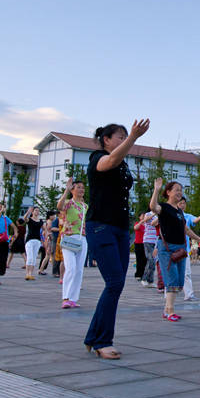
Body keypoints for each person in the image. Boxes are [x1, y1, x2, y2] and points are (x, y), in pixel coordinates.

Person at [84, 120, 150, 360]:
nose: (123, 140)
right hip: (101, 226)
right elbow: (109, 162)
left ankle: (94, 336)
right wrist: (133, 138)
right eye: (119, 137)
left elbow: (118, 161)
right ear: (106, 140)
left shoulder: (124, 163)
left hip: (121, 228)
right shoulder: (97, 158)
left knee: (117, 283)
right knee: (113, 282)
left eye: (125, 136)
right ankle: (102, 340)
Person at [150, 179, 200, 321]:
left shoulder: (179, 211)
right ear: (168, 192)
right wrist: (156, 189)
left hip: (180, 249)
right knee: (172, 280)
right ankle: (170, 311)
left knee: (179, 282)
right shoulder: (164, 207)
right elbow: (153, 206)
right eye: (176, 189)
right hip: (167, 248)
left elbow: (185, 229)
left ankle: (167, 309)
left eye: (181, 190)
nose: (179, 192)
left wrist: (198, 238)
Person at [57, 178, 88, 309]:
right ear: (73, 190)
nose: (81, 189)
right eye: (78, 187)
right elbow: (59, 206)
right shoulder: (69, 203)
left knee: (79, 269)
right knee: (71, 267)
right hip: (69, 237)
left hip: (82, 238)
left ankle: (73, 299)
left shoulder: (85, 206)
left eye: (83, 187)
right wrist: (66, 190)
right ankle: (66, 297)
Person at [22, 206, 44, 281]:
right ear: (33, 212)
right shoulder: (30, 220)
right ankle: (27, 273)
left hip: (37, 240)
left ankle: (31, 273)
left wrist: (45, 238)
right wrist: (28, 212)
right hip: (30, 240)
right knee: (30, 257)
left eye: (38, 211)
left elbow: (45, 229)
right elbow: (24, 219)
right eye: (35, 210)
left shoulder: (40, 221)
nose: (37, 212)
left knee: (34, 257)